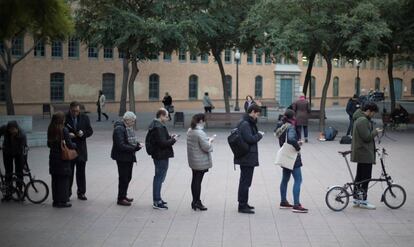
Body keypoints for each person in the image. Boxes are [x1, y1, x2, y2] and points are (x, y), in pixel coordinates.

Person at [275, 109, 308, 213]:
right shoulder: (291, 127)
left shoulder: (281, 125)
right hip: (292, 157)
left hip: (285, 155)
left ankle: (283, 202)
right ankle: (297, 205)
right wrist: (298, 146)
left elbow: (282, 138)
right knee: (298, 180)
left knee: (285, 179)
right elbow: (291, 139)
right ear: (293, 117)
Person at [351, 102, 382, 209]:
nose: (373, 115)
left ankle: (356, 198)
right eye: (373, 113)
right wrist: (375, 132)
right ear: (368, 111)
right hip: (364, 153)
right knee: (366, 177)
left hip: (362, 152)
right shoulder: (363, 120)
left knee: (360, 176)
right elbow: (367, 137)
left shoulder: (360, 119)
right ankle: (363, 200)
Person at [234, 104, 264, 214]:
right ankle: (242, 205)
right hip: (246, 157)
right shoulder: (245, 124)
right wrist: (259, 135)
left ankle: (244, 203)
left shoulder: (247, 122)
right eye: (257, 114)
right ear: (252, 112)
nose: (257, 116)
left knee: (246, 181)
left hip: (247, 156)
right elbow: (250, 139)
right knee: (245, 182)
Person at [147, 108, 178, 209]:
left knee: (159, 177)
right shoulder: (158, 127)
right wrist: (173, 140)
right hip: (161, 155)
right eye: (166, 116)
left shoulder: (156, 125)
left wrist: (170, 137)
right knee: (159, 177)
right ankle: (157, 201)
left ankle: (158, 198)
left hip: (159, 154)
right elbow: (162, 143)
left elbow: (161, 139)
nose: (168, 118)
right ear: (161, 116)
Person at [111, 111, 142, 206]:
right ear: (127, 120)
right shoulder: (119, 129)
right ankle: (121, 198)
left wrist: (136, 145)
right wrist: (134, 148)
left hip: (127, 156)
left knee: (128, 177)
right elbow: (121, 145)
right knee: (124, 177)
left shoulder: (126, 128)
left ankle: (124, 195)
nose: (133, 123)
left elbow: (128, 141)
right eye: (132, 121)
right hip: (122, 157)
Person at [65, 101, 93, 201]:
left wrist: (83, 133)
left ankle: (81, 193)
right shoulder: (65, 118)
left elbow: (90, 131)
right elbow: (61, 131)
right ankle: (67, 193)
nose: (75, 113)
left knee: (81, 173)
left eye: (77, 111)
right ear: (70, 110)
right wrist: (68, 135)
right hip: (70, 149)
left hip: (81, 149)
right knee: (69, 172)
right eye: (73, 111)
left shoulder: (85, 118)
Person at [47, 112, 77, 208]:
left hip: (53, 158)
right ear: (61, 120)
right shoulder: (64, 130)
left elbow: (48, 144)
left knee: (55, 180)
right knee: (63, 181)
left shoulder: (50, 129)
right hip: (62, 159)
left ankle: (55, 201)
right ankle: (63, 201)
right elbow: (69, 144)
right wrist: (74, 144)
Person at [187, 113, 214, 211]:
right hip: (200, 161)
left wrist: (206, 140)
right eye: (204, 120)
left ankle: (194, 201)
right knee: (198, 181)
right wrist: (210, 141)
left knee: (195, 180)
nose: (205, 122)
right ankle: (197, 202)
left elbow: (196, 143)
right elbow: (206, 147)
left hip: (193, 160)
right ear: (201, 121)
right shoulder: (200, 132)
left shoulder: (190, 130)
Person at [0, 121, 27, 201]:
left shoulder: (22, 135)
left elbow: (24, 150)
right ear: (8, 129)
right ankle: (8, 193)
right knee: (8, 172)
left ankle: (20, 191)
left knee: (19, 171)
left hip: (18, 153)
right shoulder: (4, 129)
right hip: (7, 152)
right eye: (10, 130)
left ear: (17, 128)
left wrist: (24, 162)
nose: (12, 132)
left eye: (14, 130)